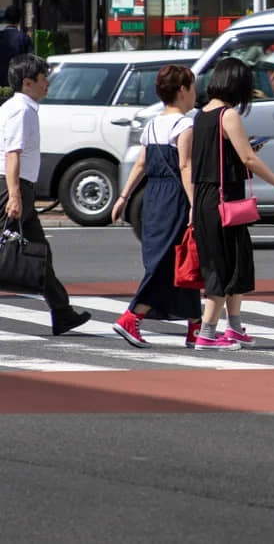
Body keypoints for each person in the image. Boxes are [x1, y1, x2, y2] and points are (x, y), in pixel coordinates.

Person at [191, 58, 274, 349]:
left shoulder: (201, 116)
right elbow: (248, 159)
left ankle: (234, 328)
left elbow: (215, 159)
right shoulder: (228, 116)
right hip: (223, 200)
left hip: (206, 198)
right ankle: (208, 333)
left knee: (236, 261)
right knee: (221, 266)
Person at [110, 65, 202, 348]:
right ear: (182, 90)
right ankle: (131, 316)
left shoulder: (151, 124)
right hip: (174, 196)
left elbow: (141, 164)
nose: (195, 93)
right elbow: (185, 166)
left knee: (176, 260)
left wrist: (123, 197)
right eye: (192, 87)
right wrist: (194, 204)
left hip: (153, 196)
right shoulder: (185, 125)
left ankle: (195, 327)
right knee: (167, 261)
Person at [0, 54, 89, 334]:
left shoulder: (20, 107)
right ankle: (62, 311)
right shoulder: (21, 110)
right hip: (11, 186)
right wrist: (14, 195)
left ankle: (61, 312)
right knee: (15, 249)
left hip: (16, 186)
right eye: (42, 78)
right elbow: (12, 153)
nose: (47, 83)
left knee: (40, 250)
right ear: (27, 83)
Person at [0, 6, 33, 90]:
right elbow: (31, 61)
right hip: (17, 82)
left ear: (5, 19)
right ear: (19, 20)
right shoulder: (24, 38)